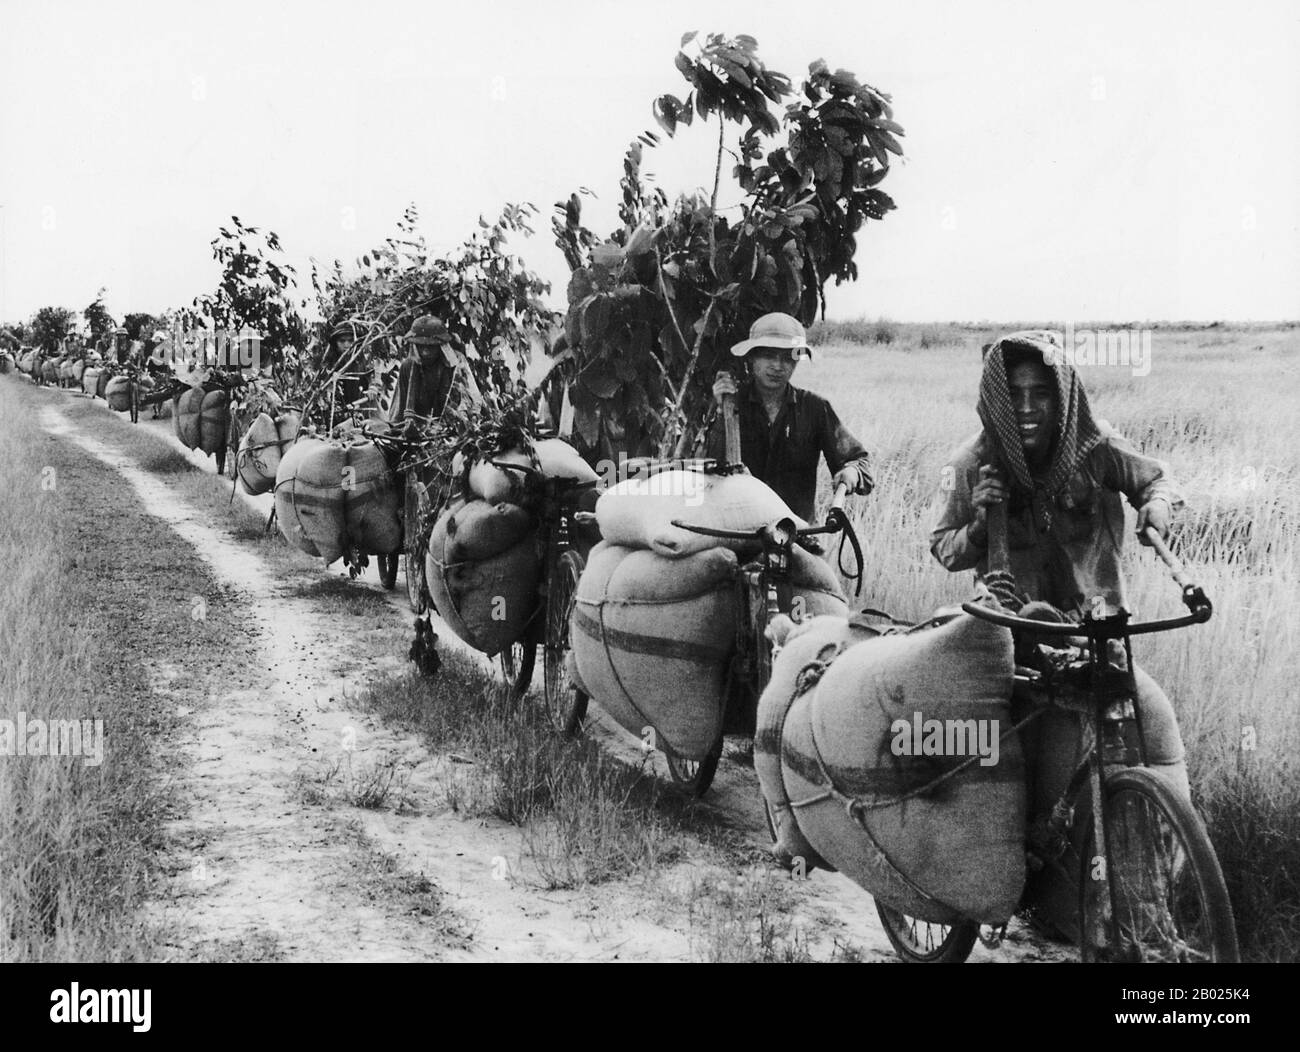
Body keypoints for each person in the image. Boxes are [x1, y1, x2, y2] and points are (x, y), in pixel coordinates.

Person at [929, 328, 1189, 937]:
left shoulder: (1098, 449)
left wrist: (1158, 506)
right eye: (1014, 395)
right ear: (997, 399)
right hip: (1010, 641)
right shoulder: (973, 462)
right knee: (994, 763)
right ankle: (984, 885)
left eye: (1040, 393)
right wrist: (974, 525)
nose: (1026, 409)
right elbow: (942, 547)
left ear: (1063, 394)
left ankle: (1141, 899)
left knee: (1137, 733)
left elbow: (1158, 480)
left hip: (1093, 636)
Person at [702, 311, 873, 521]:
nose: (777, 366)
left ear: (796, 362)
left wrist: (852, 473)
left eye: (787, 357)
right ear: (752, 357)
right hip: (739, 530)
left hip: (795, 532)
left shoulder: (815, 408)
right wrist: (721, 413)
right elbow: (707, 471)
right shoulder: (731, 405)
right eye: (768, 355)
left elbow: (858, 460)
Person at [385, 315, 481, 436]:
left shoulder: (456, 364)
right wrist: (398, 430)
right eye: (421, 346)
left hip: (450, 429)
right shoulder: (408, 366)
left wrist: (469, 419)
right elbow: (399, 409)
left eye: (430, 347)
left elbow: (471, 399)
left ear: (440, 346)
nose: (425, 352)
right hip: (416, 431)